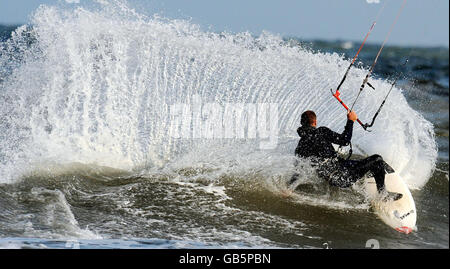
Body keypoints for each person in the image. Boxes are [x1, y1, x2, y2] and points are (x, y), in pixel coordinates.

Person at [290, 110, 402, 201]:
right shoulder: (321, 131)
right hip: (342, 176)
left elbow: (298, 169)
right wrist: (350, 121)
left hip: (332, 176)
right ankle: (383, 195)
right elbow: (345, 140)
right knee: (377, 159)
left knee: (358, 162)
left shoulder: (300, 146)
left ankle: (369, 172)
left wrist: (289, 188)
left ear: (302, 124)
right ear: (314, 122)